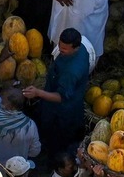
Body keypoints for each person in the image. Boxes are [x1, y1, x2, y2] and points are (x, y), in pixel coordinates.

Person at [25, 27, 93, 160]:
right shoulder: (82, 49)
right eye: (60, 46)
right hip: (60, 103)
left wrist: (38, 92)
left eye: (64, 49)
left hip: (62, 113)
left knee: (57, 142)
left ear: (76, 48)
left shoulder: (71, 72)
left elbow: (61, 97)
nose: (60, 50)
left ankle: (51, 163)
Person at [0, 87, 40, 170]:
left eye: (4, 98)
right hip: (14, 172)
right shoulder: (31, 125)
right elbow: (35, 151)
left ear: (9, 105)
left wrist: (6, 88)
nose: (1, 99)